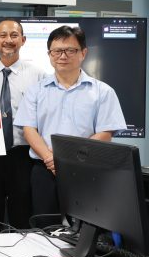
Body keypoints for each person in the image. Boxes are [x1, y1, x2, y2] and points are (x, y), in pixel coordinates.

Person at [14, 25, 125, 228]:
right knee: (44, 228)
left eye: (70, 50)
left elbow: (105, 132)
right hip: (45, 169)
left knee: (86, 228)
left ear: (83, 53)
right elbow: (29, 129)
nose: (62, 56)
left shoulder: (102, 92)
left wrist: (72, 159)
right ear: (49, 55)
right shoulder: (35, 91)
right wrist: (50, 159)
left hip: (86, 169)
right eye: (56, 51)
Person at [0, 19, 44, 233]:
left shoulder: (38, 75)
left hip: (23, 155)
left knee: (23, 218)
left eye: (14, 35)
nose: (8, 40)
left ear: (23, 40)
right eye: (3, 35)